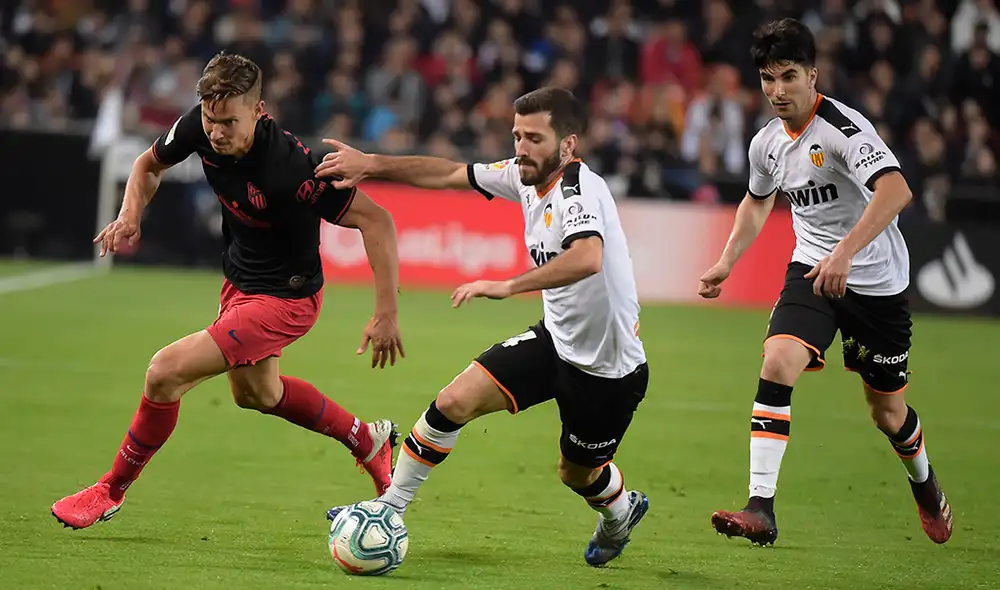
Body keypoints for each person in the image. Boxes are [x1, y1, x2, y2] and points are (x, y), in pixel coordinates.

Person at [51, 52, 405, 530]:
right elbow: (146, 165)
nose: (215, 132)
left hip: (286, 300)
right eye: (209, 119)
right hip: (239, 283)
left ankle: (110, 489)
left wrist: (386, 312)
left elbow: (377, 221)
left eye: (228, 122)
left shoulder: (293, 169)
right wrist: (131, 214)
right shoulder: (201, 124)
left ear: (259, 112)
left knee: (164, 373)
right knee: (258, 394)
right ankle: (368, 440)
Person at [316, 87, 650, 567]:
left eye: (535, 137)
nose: (521, 147)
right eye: (517, 135)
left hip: (607, 371)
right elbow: (449, 172)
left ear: (569, 145)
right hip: (554, 342)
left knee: (577, 473)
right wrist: (371, 164)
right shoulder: (520, 176)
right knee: (453, 401)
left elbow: (588, 257)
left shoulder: (579, 190)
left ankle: (620, 513)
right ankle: (389, 507)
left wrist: (508, 285)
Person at [698, 18, 953, 546]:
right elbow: (756, 199)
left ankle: (924, 483)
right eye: (768, 78)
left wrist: (846, 253)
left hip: (876, 285)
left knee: (887, 413)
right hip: (812, 272)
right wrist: (727, 260)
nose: (777, 90)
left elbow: (896, 191)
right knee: (777, 361)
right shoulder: (767, 142)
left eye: (788, 76)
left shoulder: (841, 128)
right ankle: (761, 507)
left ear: (813, 74)